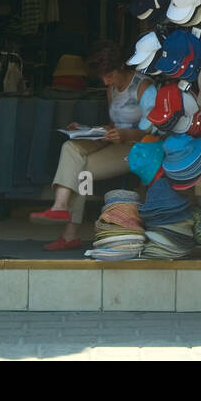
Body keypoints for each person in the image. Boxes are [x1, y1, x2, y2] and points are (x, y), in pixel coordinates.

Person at [30, 41, 153, 250]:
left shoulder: (143, 86)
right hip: (114, 139)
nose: (105, 82)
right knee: (71, 147)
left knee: (80, 171)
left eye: (109, 75)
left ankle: (70, 234)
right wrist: (87, 129)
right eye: (102, 77)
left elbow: (152, 129)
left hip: (137, 146)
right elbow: (113, 125)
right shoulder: (111, 89)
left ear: (120, 67)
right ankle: (59, 206)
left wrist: (124, 134)